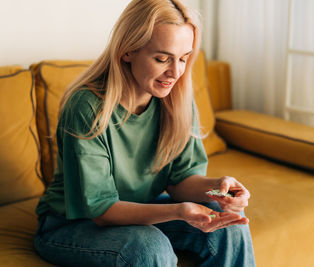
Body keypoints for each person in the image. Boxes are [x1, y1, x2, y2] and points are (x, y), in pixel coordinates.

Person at [33, 0, 256, 266]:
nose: (175, 72)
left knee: (227, 224)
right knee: (148, 245)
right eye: (162, 58)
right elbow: (102, 211)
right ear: (128, 51)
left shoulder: (178, 101)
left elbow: (180, 180)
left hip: (141, 211)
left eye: (183, 59)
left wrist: (221, 188)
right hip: (70, 224)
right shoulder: (87, 108)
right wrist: (178, 211)